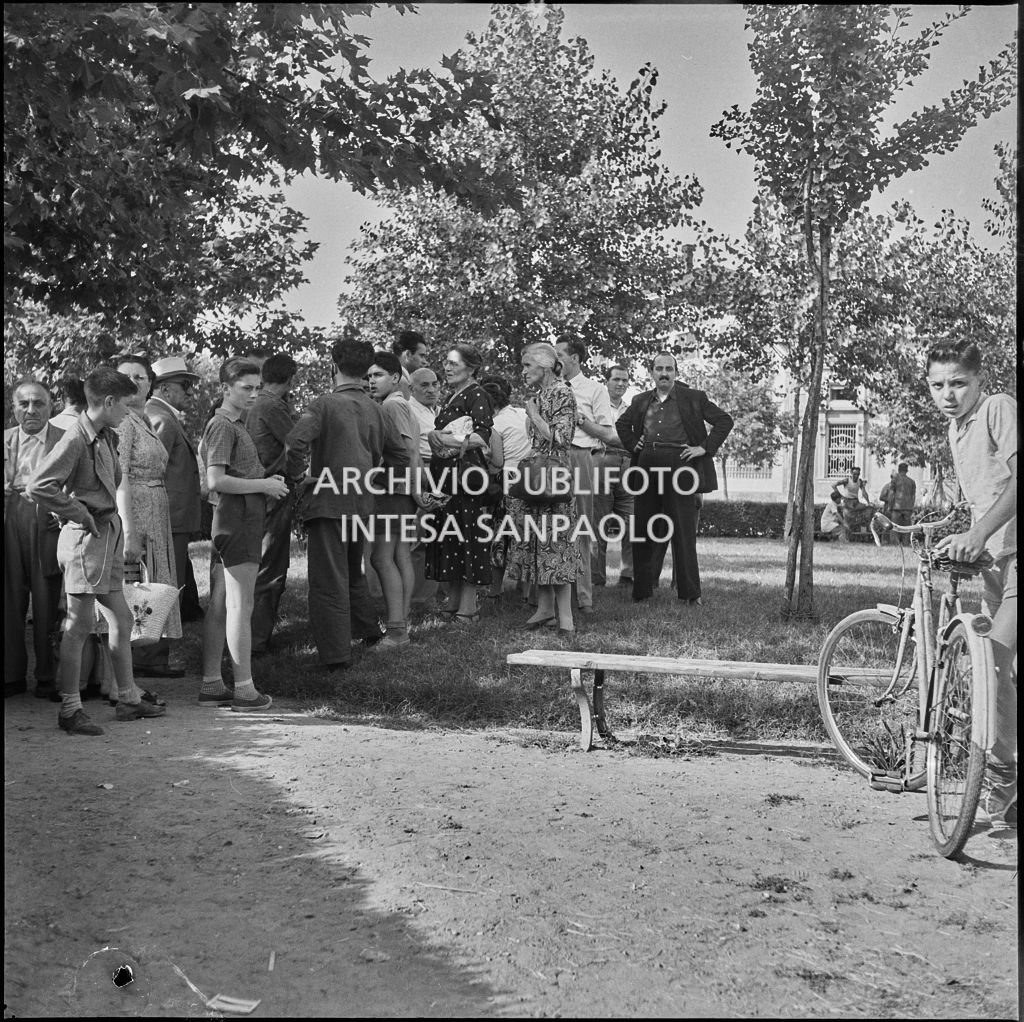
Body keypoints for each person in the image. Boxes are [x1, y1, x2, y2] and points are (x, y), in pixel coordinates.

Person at [26, 368, 167, 735]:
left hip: (105, 540)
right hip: (86, 544)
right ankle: (70, 709)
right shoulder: (75, 438)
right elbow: (39, 485)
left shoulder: (105, 435)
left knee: (121, 620)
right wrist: (79, 513)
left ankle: (128, 699)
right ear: (107, 402)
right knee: (79, 626)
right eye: (125, 403)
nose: (129, 410)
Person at [926, 339, 1016, 829]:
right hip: (994, 563)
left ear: (980, 380)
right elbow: (985, 496)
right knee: (999, 668)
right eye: (938, 385)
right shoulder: (954, 429)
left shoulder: (999, 408)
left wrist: (979, 531)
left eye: (959, 383)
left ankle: (1002, 789)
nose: (948, 394)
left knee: (995, 663)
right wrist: (963, 532)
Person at [285, 338, 406, 669]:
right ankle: (367, 631)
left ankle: (337, 656)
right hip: (363, 505)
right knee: (354, 570)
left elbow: (294, 443)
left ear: (333, 366)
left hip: (328, 504)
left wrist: (298, 480)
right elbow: (400, 457)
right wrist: (374, 481)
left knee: (328, 580)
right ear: (366, 370)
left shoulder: (323, 404)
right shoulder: (377, 409)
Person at [198, 357, 288, 710]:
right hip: (239, 517)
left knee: (222, 602)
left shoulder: (233, 423)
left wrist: (263, 483)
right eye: (245, 388)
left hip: (237, 515)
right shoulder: (222, 425)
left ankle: (211, 684)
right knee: (241, 604)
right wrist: (264, 483)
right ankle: (245, 689)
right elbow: (215, 481)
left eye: (256, 387)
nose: (253, 394)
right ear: (225, 389)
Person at [616, 351, 733, 605]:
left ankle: (691, 594)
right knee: (643, 528)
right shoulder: (638, 401)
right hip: (646, 463)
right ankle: (642, 591)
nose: (664, 373)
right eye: (659, 369)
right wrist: (632, 444)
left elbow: (724, 421)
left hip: (680, 464)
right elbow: (622, 426)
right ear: (652, 373)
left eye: (669, 368)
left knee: (683, 529)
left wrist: (704, 447)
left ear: (676, 373)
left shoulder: (694, 398)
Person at [503, 343, 582, 634]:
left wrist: (534, 415)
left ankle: (566, 619)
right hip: (538, 476)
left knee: (557, 546)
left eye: (527, 365)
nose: (523, 372)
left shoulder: (562, 391)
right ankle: (545, 609)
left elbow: (561, 438)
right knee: (539, 544)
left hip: (554, 477)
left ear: (545, 365)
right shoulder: (541, 394)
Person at [114, 353, 183, 679]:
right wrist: (129, 530)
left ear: (150, 384)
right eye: (125, 377)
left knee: (146, 591)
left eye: (139, 377)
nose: (132, 383)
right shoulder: (124, 422)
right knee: (133, 591)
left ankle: (135, 669)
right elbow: (121, 476)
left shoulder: (141, 419)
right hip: (136, 512)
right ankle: (121, 678)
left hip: (154, 509)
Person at [424, 343, 494, 624]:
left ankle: (468, 607)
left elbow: (481, 436)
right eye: (447, 362)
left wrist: (443, 439)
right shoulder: (455, 396)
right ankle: (453, 601)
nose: (447, 368)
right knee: (450, 537)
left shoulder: (478, 394)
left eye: (454, 363)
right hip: (446, 477)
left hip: (465, 477)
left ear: (471, 367)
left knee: (467, 537)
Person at [4, 381, 63, 699]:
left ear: (51, 405)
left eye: (38, 403)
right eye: (23, 403)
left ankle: (47, 677)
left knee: (47, 599)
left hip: (49, 520)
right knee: (9, 598)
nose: (31, 410)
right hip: (9, 517)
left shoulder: (65, 440)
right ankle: (11, 675)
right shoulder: (4, 440)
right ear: (13, 407)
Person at [554, 337, 617, 619]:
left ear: (575, 358)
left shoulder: (595, 390)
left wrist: (579, 419)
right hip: (551, 459)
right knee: (549, 528)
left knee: (580, 528)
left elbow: (608, 434)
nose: (554, 361)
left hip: (580, 457)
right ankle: (548, 597)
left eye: (559, 355)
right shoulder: (549, 388)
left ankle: (584, 597)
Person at [243, 352, 300, 655]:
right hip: (273, 491)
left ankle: (246, 635)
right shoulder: (273, 405)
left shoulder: (254, 401)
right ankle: (256, 641)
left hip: (254, 490)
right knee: (271, 566)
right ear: (291, 379)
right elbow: (299, 443)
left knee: (255, 563)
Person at [367, 350, 421, 648]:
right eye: (369, 376)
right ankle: (401, 622)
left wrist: (412, 489)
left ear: (396, 378)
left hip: (394, 490)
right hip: (401, 490)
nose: (371, 381)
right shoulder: (395, 404)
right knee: (400, 555)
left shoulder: (391, 406)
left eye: (378, 375)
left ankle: (397, 629)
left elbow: (407, 451)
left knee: (381, 557)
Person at [148, 356, 204, 621]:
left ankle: (155, 656)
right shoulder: (162, 419)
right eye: (185, 385)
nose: (190, 392)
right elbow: (149, 471)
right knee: (166, 590)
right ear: (164, 389)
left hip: (171, 520)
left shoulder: (163, 416)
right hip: (168, 520)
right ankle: (154, 659)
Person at [479, 373, 532, 602]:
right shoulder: (522, 413)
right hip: (530, 480)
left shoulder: (494, 424)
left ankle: (494, 590)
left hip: (507, 482)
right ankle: (526, 590)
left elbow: (497, 462)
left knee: (500, 536)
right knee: (526, 535)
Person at [592, 363, 635, 587]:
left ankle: (628, 575)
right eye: (616, 379)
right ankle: (596, 577)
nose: (620, 384)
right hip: (602, 459)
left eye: (625, 380)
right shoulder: (597, 407)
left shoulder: (632, 410)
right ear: (606, 382)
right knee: (599, 520)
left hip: (627, 462)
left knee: (632, 521)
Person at [407, 367, 440, 610]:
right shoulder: (408, 410)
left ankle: (431, 594)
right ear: (412, 389)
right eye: (424, 385)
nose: (431, 390)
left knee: (437, 537)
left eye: (434, 384)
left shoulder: (437, 411)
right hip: (423, 472)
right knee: (419, 539)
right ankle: (417, 598)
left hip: (443, 474)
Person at [831, 465, 873, 540]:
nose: (856, 476)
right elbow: (833, 485)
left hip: (856, 502)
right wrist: (840, 496)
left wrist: (868, 502)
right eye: (854, 474)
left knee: (869, 508)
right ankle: (847, 537)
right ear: (851, 473)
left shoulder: (859, 481)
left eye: (858, 474)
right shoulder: (846, 480)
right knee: (847, 518)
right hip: (847, 502)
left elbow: (864, 492)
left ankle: (865, 530)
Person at [392, 330, 430, 399]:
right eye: (421, 356)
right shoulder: (401, 382)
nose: (425, 361)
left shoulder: (392, 377)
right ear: (408, 354)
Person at [889, 463, 917, 544]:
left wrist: (890, 505)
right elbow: (913, 496)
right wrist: (911, 506)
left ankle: (894, 542)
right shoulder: (911, 482)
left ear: (899, 469)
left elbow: (891, 494)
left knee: (894, 526)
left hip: (897, 506)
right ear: (907, 470)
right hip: (908, 507)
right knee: (907, 527)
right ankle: (906, 542)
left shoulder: (895, 480)